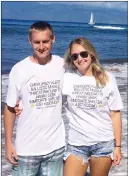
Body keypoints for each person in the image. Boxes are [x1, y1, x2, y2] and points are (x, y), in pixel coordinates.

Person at [4, 21, 65, 176]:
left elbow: (84, 79)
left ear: (53, 39)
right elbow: (10, 107)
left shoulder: (62, 64)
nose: (41, 46)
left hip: (56, 148)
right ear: (30, 41)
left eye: (45, 41)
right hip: (26, 150)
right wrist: (9, 144)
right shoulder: (19, 69)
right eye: (36, 42)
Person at [62, 37, 123, 176]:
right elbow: (52, 101)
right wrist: (22, 105)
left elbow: (115, 113)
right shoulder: (67, 78)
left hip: (103, 143)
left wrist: (118, 147)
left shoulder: (107, 78)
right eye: (75, 56)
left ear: (91, 54)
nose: (80, 58)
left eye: (84, 54)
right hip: (76, 143)